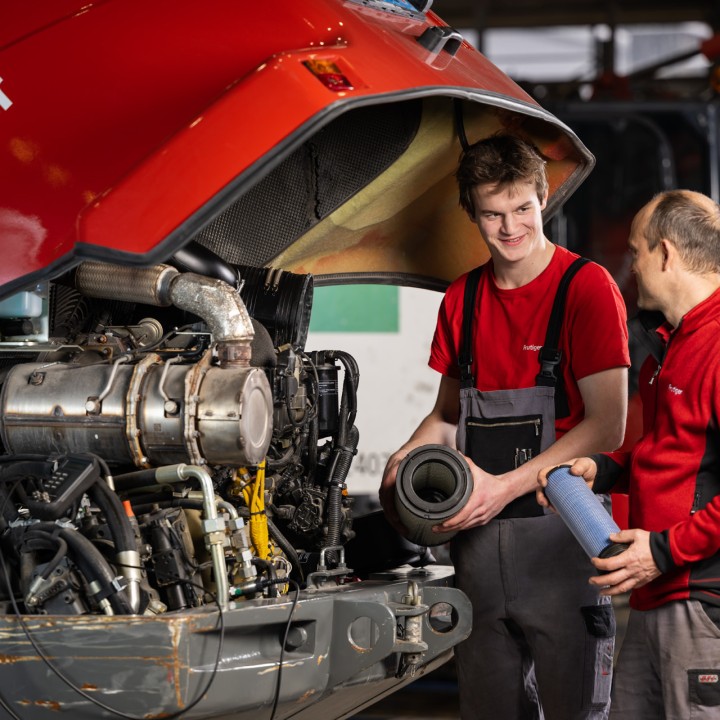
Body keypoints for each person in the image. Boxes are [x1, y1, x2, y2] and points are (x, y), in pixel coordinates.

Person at [380, 133, 630, 720]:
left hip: (564, 546)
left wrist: (502, 489)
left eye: (523, 208)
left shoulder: (585, 289)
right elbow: (446, 417)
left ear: (543, 199)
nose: (511, 227)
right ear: (472, 213)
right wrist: (406, 459)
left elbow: (609, 425)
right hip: (478, 557)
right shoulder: (463, 299)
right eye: (493, 214)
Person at [538, 189, 720, 720]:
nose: (632, 265)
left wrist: (662, 552)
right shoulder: (676, 343)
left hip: (699, 601)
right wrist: (609, 468)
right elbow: (681, 450)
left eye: (637, 251)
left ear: (666, 254)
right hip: (655, 593)